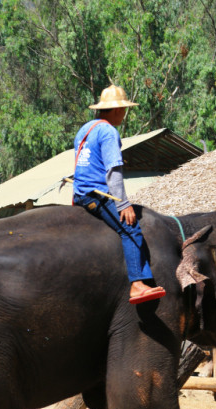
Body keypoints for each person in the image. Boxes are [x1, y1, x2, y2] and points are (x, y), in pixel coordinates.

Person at [72, 85, 165, 305]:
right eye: (123, 109)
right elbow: (113, 171)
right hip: (96, 194)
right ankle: (137, 283)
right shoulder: (108, 132)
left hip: (79, 193)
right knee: (131, 228)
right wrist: (123, 204)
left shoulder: (85, 129)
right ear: (115, 110)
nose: (124, 114)